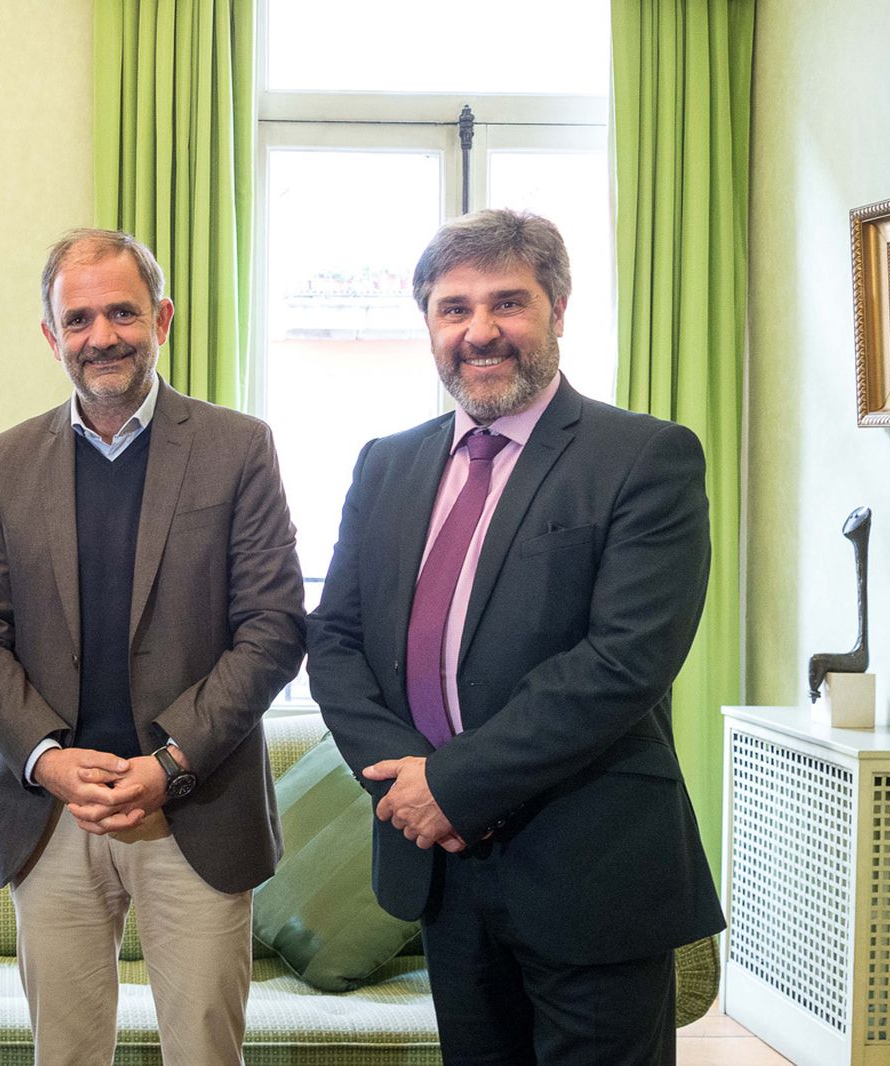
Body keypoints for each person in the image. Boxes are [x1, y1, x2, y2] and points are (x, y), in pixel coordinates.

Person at [307, 208, 724, 1064]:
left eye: (508, 302)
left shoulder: (644, 457)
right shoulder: (387, 463)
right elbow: (338, 641)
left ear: (558, 310)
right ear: (428, 325)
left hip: (588, 863)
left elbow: (624, 661)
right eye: (453, 309)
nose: (480, 331)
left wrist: (453, 786)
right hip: (444, 874)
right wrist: (408, 785)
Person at [0, 228, 305, 1066]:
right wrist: (45, 756)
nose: (101, 336)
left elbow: (274, 625)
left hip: (196, 804)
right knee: (66, 1057)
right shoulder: (7, 461)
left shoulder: (237, 448)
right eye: (78, 320)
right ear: (50, 336)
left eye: (121, 313)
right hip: (55, 812)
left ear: (163, 318)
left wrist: (171, 762)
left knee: (205, 1056)